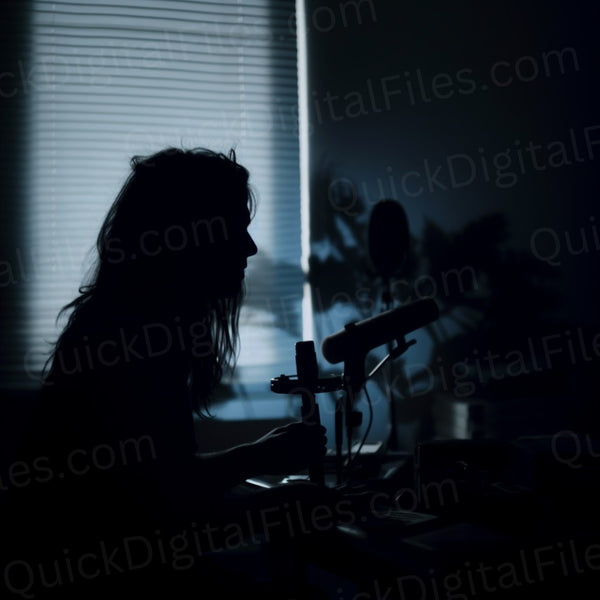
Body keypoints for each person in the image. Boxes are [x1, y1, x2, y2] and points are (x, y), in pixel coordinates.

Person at [4, 148, 331, 598]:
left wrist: (259, 461)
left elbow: (161, 478)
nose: (251, 247)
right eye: (237, 227)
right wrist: (270, 489)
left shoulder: (134, 326)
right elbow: (155, 516)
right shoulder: (128, 341)